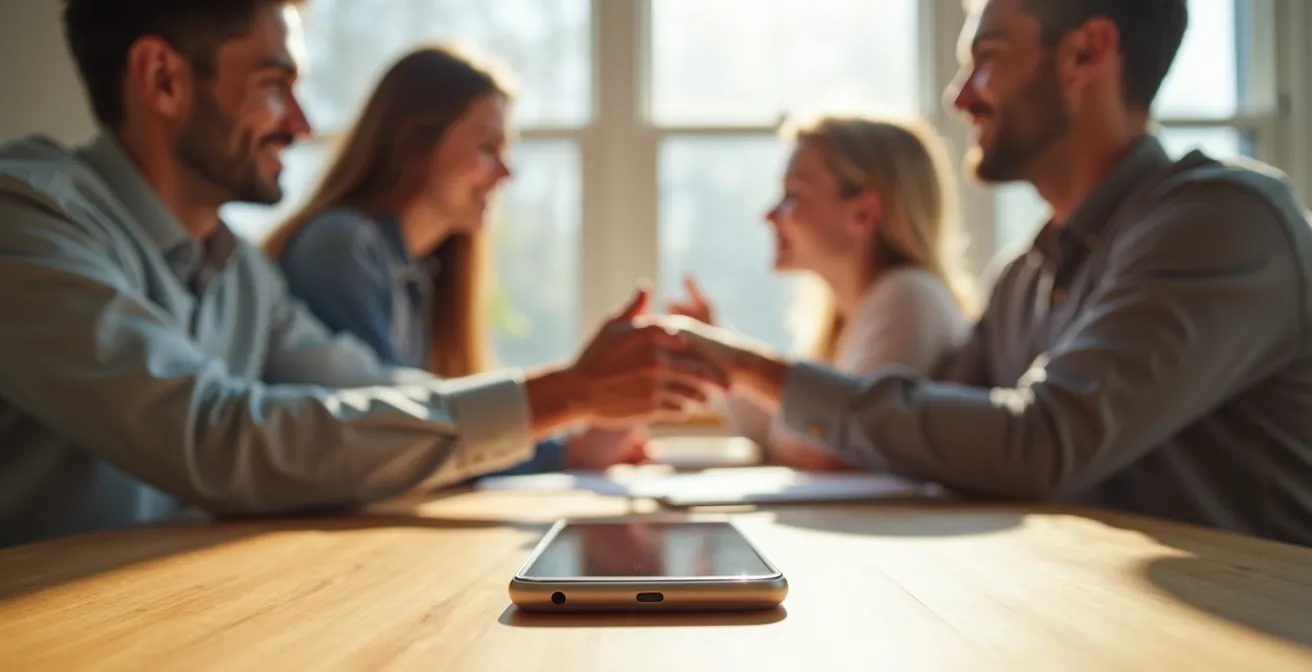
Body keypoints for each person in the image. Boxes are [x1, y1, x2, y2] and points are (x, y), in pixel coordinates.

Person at [0, 0, 723, 548]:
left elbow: (371, 393)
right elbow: (215, 438)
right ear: (162, 80)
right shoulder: (27, 218)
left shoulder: (243, 274)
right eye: (275, 84)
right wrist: (567, 394)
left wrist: (568, 421)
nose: (303, 122)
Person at [661, 0, 1312, 546]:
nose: (959, 95)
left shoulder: (1220, 222)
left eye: (988, 58)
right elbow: (930, 429)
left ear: (1086, 53)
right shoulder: (1024, 278)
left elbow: (1039, 444)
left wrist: (749, 368)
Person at [263, 47, 642, 475]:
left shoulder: (422, 272)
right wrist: (566, 448)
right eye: (488, 147)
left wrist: (574, 445)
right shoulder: (339, 247)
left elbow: (431, 426)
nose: (506, 173)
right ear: (415, 143)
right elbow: (391, 433)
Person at [668, 116, 975, 470]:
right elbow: (781, 430)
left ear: (863, 213)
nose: (769, 215)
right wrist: (718, 349)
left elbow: (832, 446)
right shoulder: (853, 314)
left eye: (793, 195)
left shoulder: (908, 297)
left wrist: (741, 368)